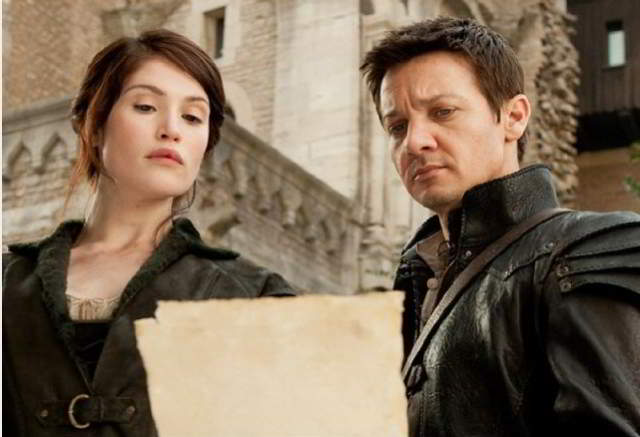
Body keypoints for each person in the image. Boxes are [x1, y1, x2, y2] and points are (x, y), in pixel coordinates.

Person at [3, 29, 295, 436]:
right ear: (93, 124)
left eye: (193, 117)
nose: (171, 129)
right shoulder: (8, 281)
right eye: (145, 106)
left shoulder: (255, 296)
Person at [361, 16, 640, 437]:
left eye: (443, 112)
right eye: (397, 126)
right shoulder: (418, 282)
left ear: (514, 117)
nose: (415, 142)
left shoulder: (584, 252)